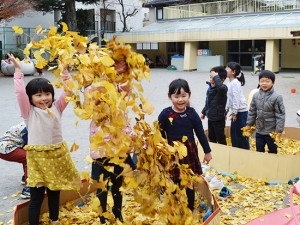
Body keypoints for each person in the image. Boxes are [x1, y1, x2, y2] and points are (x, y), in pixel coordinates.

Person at [9, 53, 81, 225]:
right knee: (37, 197)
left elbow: (69, 90)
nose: (44, 98)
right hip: (38, 160)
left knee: (55, 194)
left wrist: (64, 72)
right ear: (31, 98)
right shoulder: (29, 112)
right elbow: (20, 93)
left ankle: (54, 220)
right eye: (38, 95)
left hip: (56, 156)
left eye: (47, 94)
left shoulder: (57, 107)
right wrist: (18, 71)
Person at [86, 62, 136, 224]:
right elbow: (91, 94)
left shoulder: (120, 97)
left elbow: (125, 123)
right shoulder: (93, 94)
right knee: (101, 186)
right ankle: (102, 215)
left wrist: (133, 137)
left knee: (117, 185)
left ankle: (117, 211)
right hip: (101, 152)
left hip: (119, 151)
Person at [158, 78, 212, 212]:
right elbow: (158, 134)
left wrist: (207, 151)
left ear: (189, 95)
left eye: (183, 96)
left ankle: (189, 208)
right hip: (172, 154)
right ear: (170, 96)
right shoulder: (165, 114)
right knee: (173, 181)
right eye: (176, 96)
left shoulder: (191, 114)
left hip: (189, 154)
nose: (180, 100)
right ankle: (174, 208)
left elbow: (200, 133)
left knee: (188, 182)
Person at [246, 70, 285, 154]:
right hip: (259, 129)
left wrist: (279, 131)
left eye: (267, 81)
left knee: (273, 150)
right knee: (259, 149)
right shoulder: (256, 95)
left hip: (271, 131)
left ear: (273, 82)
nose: (264, 83)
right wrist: (249, 124)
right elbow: (252, 111)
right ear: (259, 82)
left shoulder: (277, 97)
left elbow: (280, 115)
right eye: (262, 81)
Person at [0, 121, 30, 199]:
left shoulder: (31, 120)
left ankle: (25, 177)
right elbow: (29, 143)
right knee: (29, 158)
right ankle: (29, 188)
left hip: (6, 146)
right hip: (7, 148)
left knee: (27, 156)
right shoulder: (32, 125)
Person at [200, 66, 228, 145]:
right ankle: (214, 151)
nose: (211, 79)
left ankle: (223, 152)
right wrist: (204, 112)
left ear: (221, 80)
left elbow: (222, 88)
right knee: (211, 136)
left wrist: (215, 76)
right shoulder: (210, 88)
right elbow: (208, 102)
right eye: (210, 77)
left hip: (218, 118)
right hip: (211, 117)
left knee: (220, 137)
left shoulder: (222, 89)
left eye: (214, 77)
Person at [225, 61, 250, 150]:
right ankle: (236, 151)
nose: (225, 70)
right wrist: (226, 111)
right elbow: (229, 99)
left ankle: (245, 152)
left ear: (233, 72)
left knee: (242, 134)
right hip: (236, 111)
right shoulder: (230, 83)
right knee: (234, 134)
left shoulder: (235, 83)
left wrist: (235, 113)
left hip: (241, 112)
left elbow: (236, 98)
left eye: (227, 68)